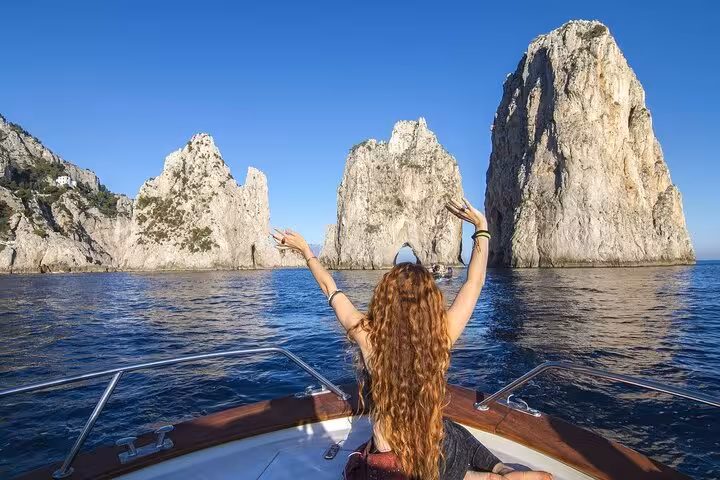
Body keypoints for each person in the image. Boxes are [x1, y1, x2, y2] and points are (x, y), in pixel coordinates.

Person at [271, 198, 552, 480]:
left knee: (364, 463)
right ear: (429, 302)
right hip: (437, 457)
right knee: (449, 431)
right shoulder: (441, 335)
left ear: (385, 299)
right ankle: (495, 472)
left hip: (392, 467)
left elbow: (329, 289)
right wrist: (481, 227)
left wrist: (307, 251)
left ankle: (485, 476)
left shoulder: (368, 336)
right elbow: (474, 283)